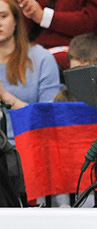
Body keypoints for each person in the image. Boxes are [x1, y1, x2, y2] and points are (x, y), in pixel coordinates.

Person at [0, 0, 60, 141]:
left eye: (3, 16)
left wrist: (7, 98)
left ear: (16, 20)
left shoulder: (41, 59)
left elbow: (49, 119)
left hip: (29, 147)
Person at [18, 0, 97, 68]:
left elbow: (93, 23)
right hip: (34, 46)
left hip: (76, 48)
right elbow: (21, 28)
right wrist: (25, 7)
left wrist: (44, 17)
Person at [54, 33, 97, 102]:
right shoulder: (63, 98)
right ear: (68, 66)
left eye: (87, 71)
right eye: (76, 71)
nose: (82, 77)